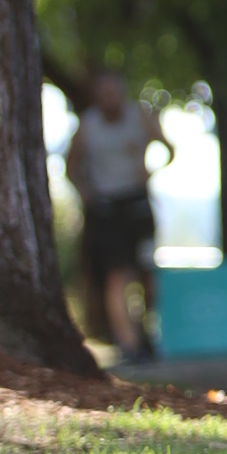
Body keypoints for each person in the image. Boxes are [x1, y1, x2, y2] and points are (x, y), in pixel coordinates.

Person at [65, 66, 174, 360]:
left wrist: (150, 171)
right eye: (104, 92)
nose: (110, 97)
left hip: (137, 203)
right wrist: (86, 193)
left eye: (114, 91)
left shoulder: (139, 117)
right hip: (106, 208)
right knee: (116, 276)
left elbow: (168, 149)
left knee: (146, 275)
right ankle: (128, 344)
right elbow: (71, 166)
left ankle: (147, 331)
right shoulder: (87, 126)